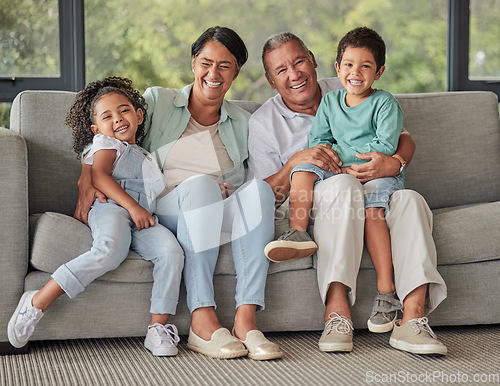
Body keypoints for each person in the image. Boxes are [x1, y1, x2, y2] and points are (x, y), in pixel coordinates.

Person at [74, 27, 282, 360]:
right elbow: (112, 131)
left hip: (220, 207)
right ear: (193, 63)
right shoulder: (159, 100)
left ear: (236, 72)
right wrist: (88, 172)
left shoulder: (244, 122)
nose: (213, 74)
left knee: (259, 191)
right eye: (206, 63)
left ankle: (246, 321)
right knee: (200, 184)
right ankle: (202, 319)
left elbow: (256, 179)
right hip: (165, 205)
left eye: (224, 66)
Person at [248, 32, 448, 355]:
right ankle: (337, 311)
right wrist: (297, 160)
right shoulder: (263, 123)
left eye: (299, 62)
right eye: (281, 70)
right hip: (321, 197)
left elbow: (404, 138)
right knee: (344, 186)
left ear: (314, 60)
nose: (294, 74)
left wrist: (393, 163)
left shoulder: (348, 83)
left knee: (411, 201)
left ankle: (412, 318)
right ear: (271, 80)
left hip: (374, 183)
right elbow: (265, 192)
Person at [8, 77, 184, 357]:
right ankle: (38, 300)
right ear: (96, 129)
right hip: (112, 207)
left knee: (171, 252)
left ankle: (157, 328)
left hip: (144, 217)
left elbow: (158, 192)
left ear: (139, 115)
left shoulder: (145, 155)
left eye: (124, 110)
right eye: (107, 116)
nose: (118, 119)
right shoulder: (105, 144)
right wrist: (133, 207)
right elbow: (99, 176)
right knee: (109, 251)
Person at [265, 27, 405, 335]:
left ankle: (386, 289)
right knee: (302, 168)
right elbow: (318, 140)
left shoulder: (374, 99)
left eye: (365, 66)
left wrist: (383, 162)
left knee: (372, 210)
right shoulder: (324, 105)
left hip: (369, 172)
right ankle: (297, 231)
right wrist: (318, 156)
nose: (356, 72)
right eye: (350, 65)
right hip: (335, 175)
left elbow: (391, 142)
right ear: (338, 67)